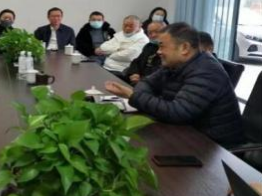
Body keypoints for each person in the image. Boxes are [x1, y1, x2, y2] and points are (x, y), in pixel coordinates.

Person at [104, 22, 245, 147]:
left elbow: (177, 112)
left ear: (184, 48)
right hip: (184, 131)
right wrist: (140, 96)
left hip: (213, 146)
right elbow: (146, 83)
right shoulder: (174, 64)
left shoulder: (207, 72)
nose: (158, 52)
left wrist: (133, 96)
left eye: (162, 46)